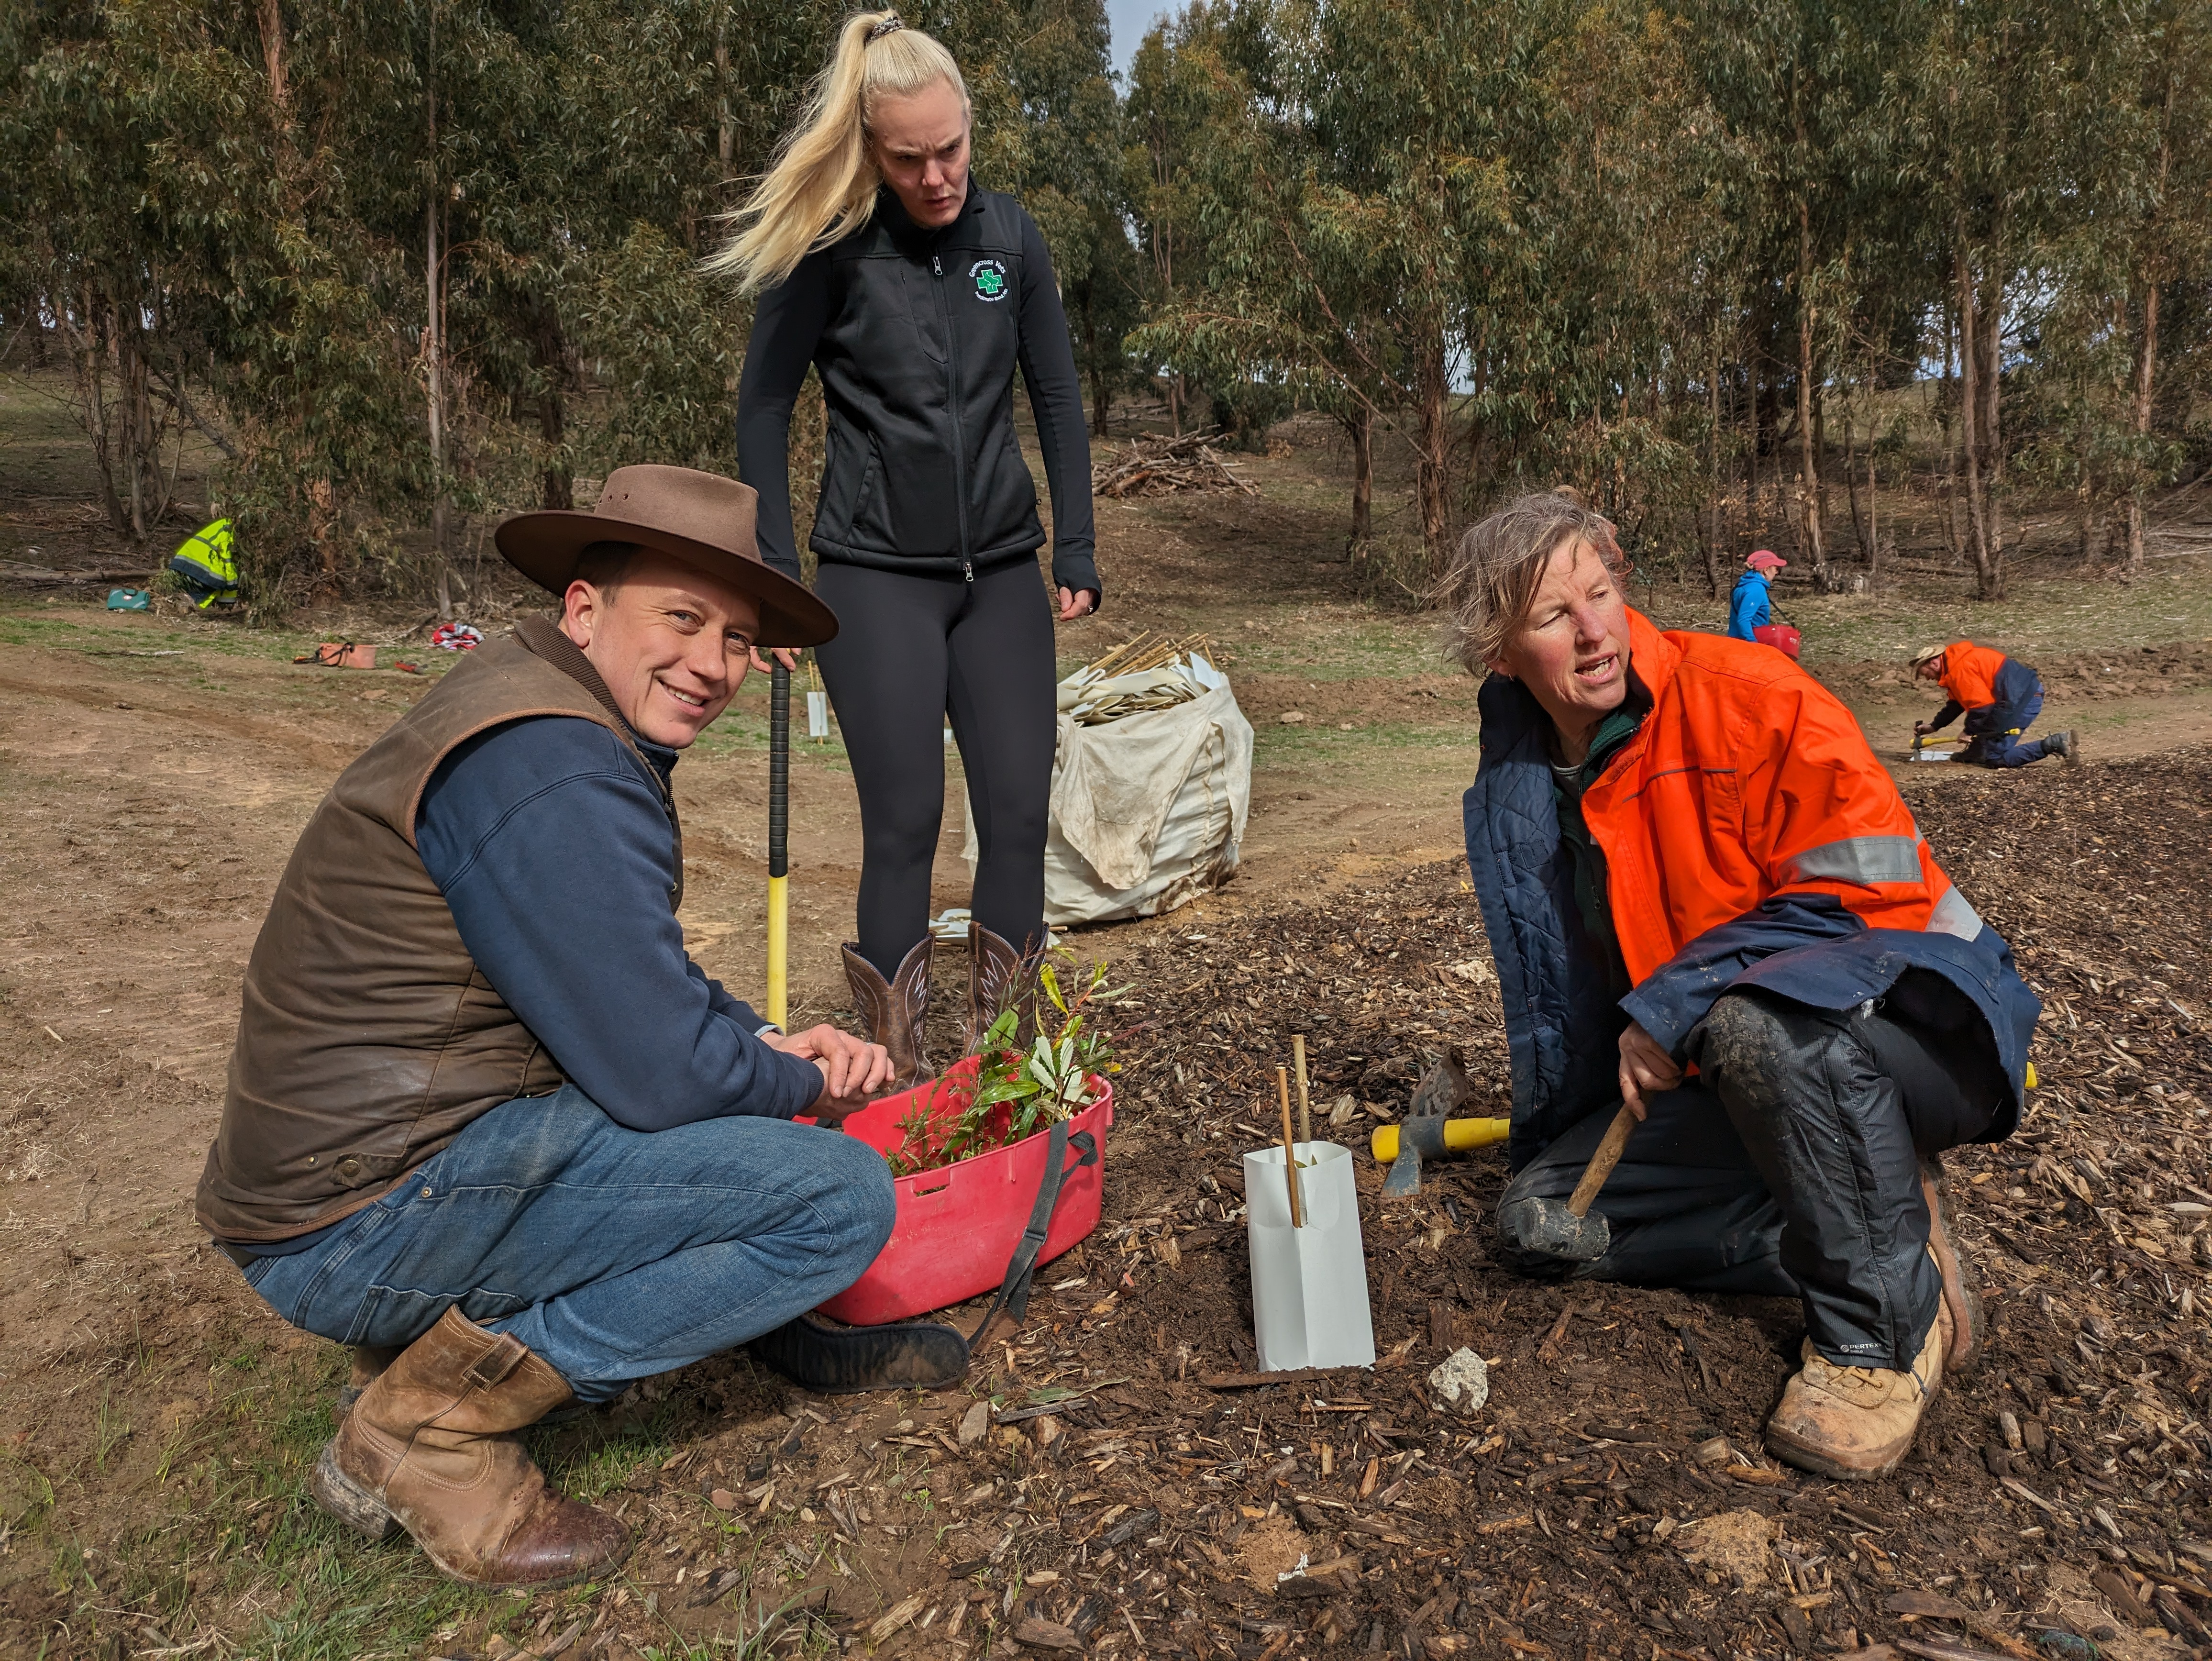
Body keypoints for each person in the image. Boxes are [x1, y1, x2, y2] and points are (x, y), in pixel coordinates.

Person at [195, 465, 973, 1591]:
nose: (713, 664)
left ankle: (719, 1321)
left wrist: (762, 1039)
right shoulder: (553, 766)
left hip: (344, 1177)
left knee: (746, 1120)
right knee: (830, 1198)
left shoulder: (535, 706)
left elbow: (627, 978)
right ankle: (431, 1429)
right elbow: (658, 1074)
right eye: (682, 618)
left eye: (740, 639)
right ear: (582, 608)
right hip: (356, 1219)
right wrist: (801, 1089)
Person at [1444, 493, 2041, 1480]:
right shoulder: (1522, 762)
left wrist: (1670, 1008)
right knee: (1539, 1222)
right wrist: (1570, 1116)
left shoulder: (1749, 693)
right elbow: (1574, 983)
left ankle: (1882, 1337)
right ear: (1499, 650)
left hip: (1920, 1020)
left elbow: (1867, 891)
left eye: (1599, 594)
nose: (1593, 629)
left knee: (1753, 1019)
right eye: (1553, 616)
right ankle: (1877, 1218)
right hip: (1732, 1056)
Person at [719, 11, 1099, 1084]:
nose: (937, 176)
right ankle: (892, 1082)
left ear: (970, 130)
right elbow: (763, 406)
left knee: (1018, 818)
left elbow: (1057, 397)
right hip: (873, 576)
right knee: (905, 823)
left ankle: (1010, 1072)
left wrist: (1072, 543)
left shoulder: (1010, 239)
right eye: (908, 157)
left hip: (1000, 580)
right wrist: (770, 577)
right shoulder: (834, 250)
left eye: (951, 149)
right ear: (870, 150)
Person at [1912, 641, 2075, 766]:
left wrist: (1968, 732)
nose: (1927, 678)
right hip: (2016, 696)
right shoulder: (1956, 665)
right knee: (1985, 727)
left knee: (1995, 758)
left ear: (1933, 663)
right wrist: (1934, 726)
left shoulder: (1959, 670)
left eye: (1924, 673)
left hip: (2022, 699)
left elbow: (1982, 707)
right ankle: (1975, 754)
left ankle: (2054, 743)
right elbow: (1956, 704)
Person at [1726, 548, 1785, 642]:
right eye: (1776, 569)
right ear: (1766, 570)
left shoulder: (1744, 584)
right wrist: (1754, 644)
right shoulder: (1757, 590)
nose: (1777, 572)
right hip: (1745, 647)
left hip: (1735, 643)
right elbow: (1744, 620)